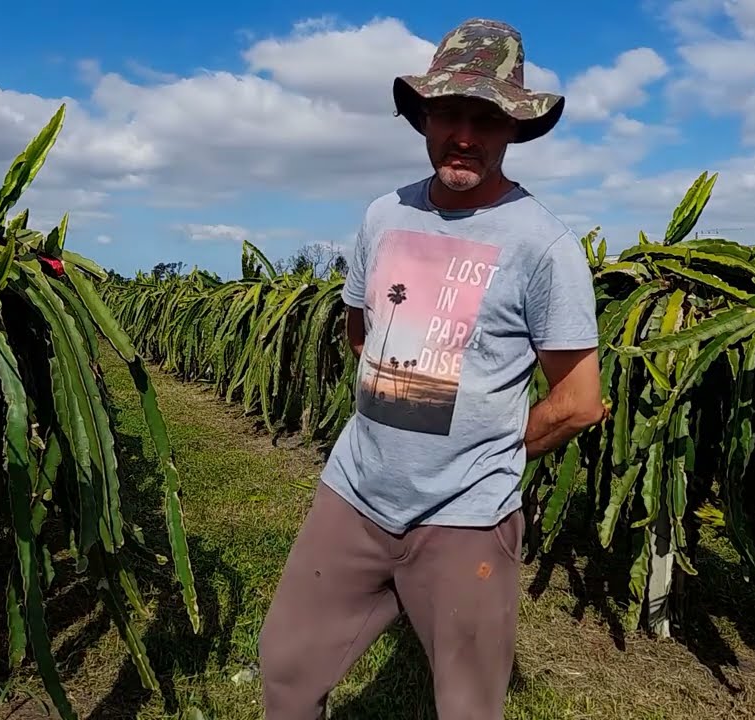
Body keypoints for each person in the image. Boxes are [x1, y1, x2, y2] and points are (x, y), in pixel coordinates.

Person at [258, 17, 606, 719]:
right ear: (424, 114)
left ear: (514, 128)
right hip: (353, 495)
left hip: (467, 519)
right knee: (287, 674)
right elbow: (362, 334)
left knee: (467, 709)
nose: (466, 135)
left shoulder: (543, 247)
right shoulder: (383, 217)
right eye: (450, 112)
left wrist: (489, 455)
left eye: (487, 118)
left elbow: (578, 401)